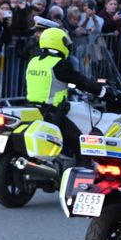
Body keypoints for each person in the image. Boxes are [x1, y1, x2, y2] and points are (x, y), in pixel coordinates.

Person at [25, 27, 108, 157]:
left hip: (32, 109)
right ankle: (78, 174)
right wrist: (103, 92)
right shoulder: (59, 64)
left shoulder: (33, 61)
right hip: (52, 113)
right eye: (65, 43)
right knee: (81, 145)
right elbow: (81, 81)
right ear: (58, 42)